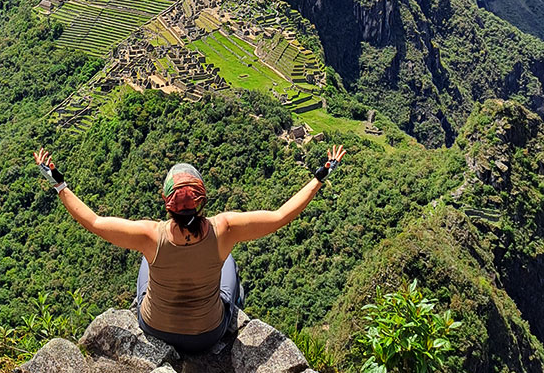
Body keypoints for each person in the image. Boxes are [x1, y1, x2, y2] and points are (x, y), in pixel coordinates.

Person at [33, 145, 346, 354]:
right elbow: (281, 216)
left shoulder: (150, 235)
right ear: (202, 200)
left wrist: (59, 184)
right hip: (207, 333)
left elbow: (95, 221)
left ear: (167, 204)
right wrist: (321, 175)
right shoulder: (225, 230)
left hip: (154, 327)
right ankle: (233, 310)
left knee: (147, 263)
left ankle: (145, 304)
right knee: (229, 262)